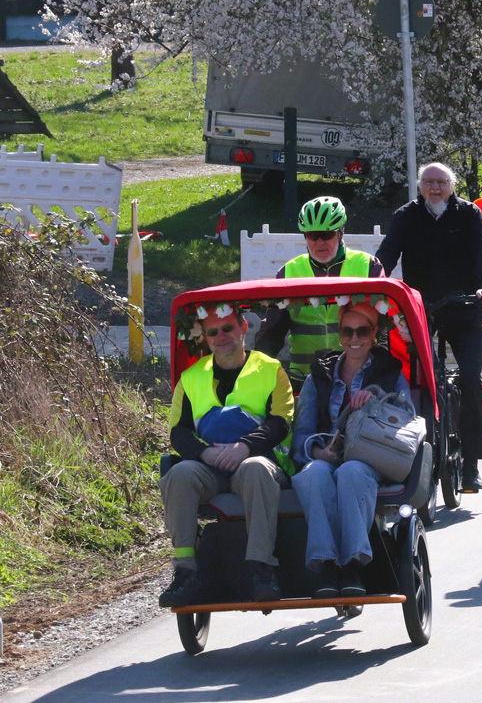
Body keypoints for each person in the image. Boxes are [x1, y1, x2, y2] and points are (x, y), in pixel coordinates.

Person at [159, 305, 295, 607]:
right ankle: (185, 572)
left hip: (257, 459)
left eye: (228, 328)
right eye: (213, 332)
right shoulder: (191, 377)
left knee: (257, 468)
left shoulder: (271, 369)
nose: (221, 336)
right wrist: (205, 453)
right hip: (210, 466)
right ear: (205, 338)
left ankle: (262, 569)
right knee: (178, 474)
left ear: (243, 328)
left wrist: (243, 447)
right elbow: (178, 432)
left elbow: (280, 421)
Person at [375, 162, 482, 493]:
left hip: (465, 307)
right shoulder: (406, 216)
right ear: (420, 186)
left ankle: (470, 464)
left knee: (470, 378)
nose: (435, 188)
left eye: (441, 182)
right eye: (429, 182)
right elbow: (387, 254)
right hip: (421, 309)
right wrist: (375, 283)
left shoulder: (469, 214)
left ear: (451, 185)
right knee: (416, 380)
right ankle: (412, 454)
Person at [290, 302, 411, 597]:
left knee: (351, 471)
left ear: (374, 333)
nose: (354, 338)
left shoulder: (389, 372)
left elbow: (407, 417)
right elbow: (302, 433)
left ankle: (353, 564)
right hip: (327, 454)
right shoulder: (319, 376)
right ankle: (326, 562)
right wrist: (318, 453)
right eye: (347, 331)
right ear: (339, 333)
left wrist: (376, 399)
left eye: (362, 331)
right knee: (313, 473)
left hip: (371, 456)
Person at [256, 196, 384, 388]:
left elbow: (384, 326)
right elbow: (272, 332)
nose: (320, 242)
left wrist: (384, 372)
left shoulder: (368, 266)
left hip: (358, 378)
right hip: (304, 379)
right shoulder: (288, 272)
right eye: (312, 235)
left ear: (340, 233)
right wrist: (256, 372)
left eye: (327, 234)